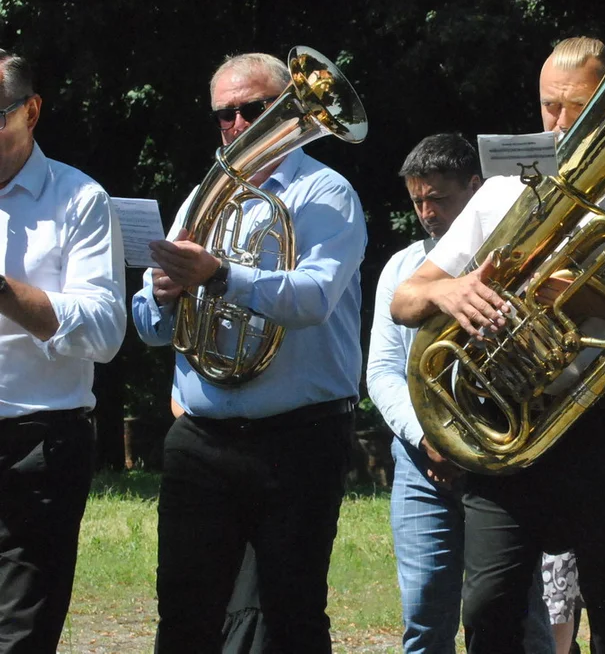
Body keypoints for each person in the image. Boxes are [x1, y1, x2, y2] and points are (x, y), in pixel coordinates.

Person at [390, 36, 605, 654]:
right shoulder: (501, 192)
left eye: (578, 107)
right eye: (549, 107)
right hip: (507, 428)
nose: (561, 123)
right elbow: (403, 300)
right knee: (488, 606)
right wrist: (452, 292)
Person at [131, 52, 366, 652]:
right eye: (225, 116)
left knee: (293, 614)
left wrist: (219, 276)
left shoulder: (326, 193)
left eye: (254, 111)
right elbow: (152, 329)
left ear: (288, 108)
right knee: (183, 616)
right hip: (203, 436)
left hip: (298, 438)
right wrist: (163, 295)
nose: (238, 127)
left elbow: (313, 298)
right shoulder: (200, 198)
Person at [367, 133, 554, 653]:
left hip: (500, 453)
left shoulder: (522, 261)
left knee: (511, 605)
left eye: (438, 199)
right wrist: (429, 436)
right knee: (425, 610)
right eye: (417, 201)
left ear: (476, 187)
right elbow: (382, 371)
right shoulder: (401, 270)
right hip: (422, 458)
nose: (426, 212)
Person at [0, 48, 126, 653]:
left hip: (36, 445)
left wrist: (4, 292)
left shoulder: (80, 200)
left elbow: (104, 332)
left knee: (19, 637)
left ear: (33, 110)